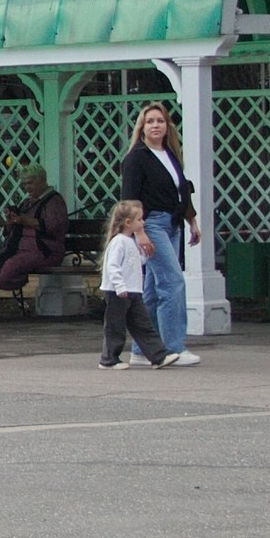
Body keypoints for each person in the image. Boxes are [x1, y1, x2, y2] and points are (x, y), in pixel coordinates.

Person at [119, 100, 204, 365]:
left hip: (173, 223)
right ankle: (172, 347)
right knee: (172, 281)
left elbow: (181, 190)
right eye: (150, 121)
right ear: (142, 128)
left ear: (167, 126)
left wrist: (192, 221)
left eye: (160, 121)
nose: (156, 125)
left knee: (154, 290)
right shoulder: (135, 159)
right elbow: (130, 199)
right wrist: (139, 231)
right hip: (151, 223)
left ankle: (143, 350)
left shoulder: (169, 155)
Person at [0, 165, 69, 306]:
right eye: (24, 184)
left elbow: (55, 226)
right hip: (20, 249)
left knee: (10, 266)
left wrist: (27, 221)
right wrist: (11, 221)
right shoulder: (27, 203)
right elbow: (10, 231)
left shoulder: (54, 201)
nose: (27, 187)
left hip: (45, 250)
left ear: (42, 181)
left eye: (30, 183)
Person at [97, 199, 174, 368]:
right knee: (115, 326)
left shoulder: (130, 241)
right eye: (140, 219)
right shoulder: (118, 242)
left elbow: (133, 263)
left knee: (142, 324)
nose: (143, 222)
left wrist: (146, 256)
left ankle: (158, 356)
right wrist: (120, 286)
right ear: (128, 222)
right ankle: (109, 359)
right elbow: (112, 266)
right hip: (118, 291)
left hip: (133, 291)